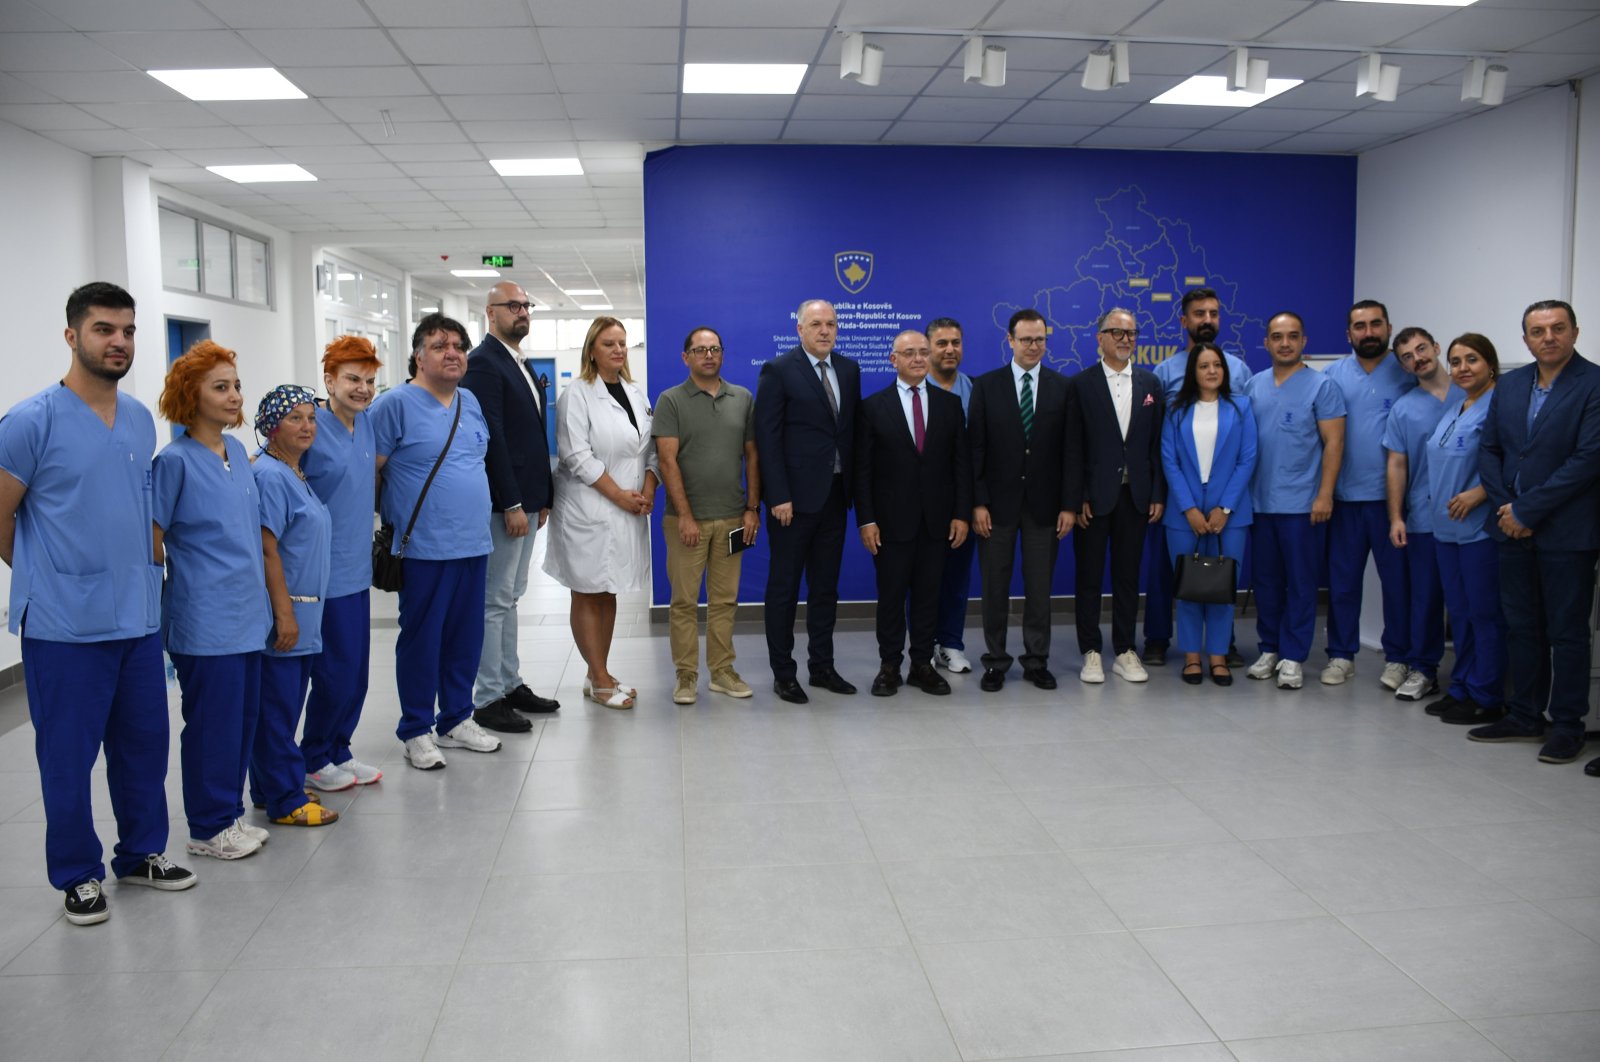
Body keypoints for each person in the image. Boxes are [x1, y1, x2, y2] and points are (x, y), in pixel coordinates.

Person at [0, 282, 196, 925]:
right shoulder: (31, 422)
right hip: (64, 624)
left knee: (143, 743)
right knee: (67, 755)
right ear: (72, 336)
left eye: (129, 331)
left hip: (135, 615)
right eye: (104, 329)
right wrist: (53, 575)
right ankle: (77, 874)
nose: (119, 342)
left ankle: (141, 852)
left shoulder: (140, 418)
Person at [153, 340, 273, 859]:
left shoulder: (240, 459)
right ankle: (207, 827)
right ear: (190, 395)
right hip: (205, 619)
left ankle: (228, 814)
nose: (233, 396)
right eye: (219, 387)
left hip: (248, 617)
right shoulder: (174, 463)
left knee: (242, 722)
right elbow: (152, 542)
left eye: (236, 386)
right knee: (211, 727)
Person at [370, 313, 502, 769]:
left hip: (473, 543)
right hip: (422, 547)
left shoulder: (470, 402)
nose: (452, 353)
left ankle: (456, 719)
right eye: (440, 344)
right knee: (422, 639)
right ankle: (415, 729)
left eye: (459, 346)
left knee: (466, 637)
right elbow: (370, 470)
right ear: (417, 356)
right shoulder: (394, 405)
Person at [1472, 300, 1600, 768]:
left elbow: (1588, 460)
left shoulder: (1594, 385)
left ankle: (1568, 725)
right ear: (1525, 338)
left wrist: (1527, 509)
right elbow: (1489, 449)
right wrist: (1508, 506)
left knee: (1567, 632)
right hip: (1511, 528)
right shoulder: (1510, 385)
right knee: (1521, 627)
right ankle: (1524, 714)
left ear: (1575, 332)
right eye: (1538, 330)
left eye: (1557, 328)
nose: (1548, 337)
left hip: (1567, 531)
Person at [543, 316, 659, 709]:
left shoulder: (634, 391)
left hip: (626, 505)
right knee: (588, 590)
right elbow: (576, 455)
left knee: (607, 591)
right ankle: (599, 676)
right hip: (589, 507)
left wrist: (647, 488)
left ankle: (599, 672)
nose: (618, 350)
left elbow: (650, 447)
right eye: (609, 343)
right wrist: (620, 496)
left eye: (622, 343)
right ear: (591, 350)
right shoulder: (576, 394)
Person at [461, 281, 559, 734]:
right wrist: (513, 501)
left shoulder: (518, 362)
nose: (522, 312)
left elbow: (532, 437)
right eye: (512, 306)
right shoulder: (483, 363)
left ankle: (509, 682)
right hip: (505, 504)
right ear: (490, 313)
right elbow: (493, 438)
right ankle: (486, 698)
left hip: (527, 501)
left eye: (526, 306)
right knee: (494, 600)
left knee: (511, 597)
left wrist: (541, 498)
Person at [754, 299, 861, 703]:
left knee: (825, 589)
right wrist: (777, 494)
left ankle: (822, 667)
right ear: (799, 330)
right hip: (792, 504)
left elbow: (847, 434)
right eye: (816, 324)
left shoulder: (849, 370)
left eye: (831, 324)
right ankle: (784, 673)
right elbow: (768, 437)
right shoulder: (779, 371)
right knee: (784, 589)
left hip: (835, 497)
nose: (824, 330)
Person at [854, 329, 972, 697]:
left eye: (924, 351)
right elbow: (863, 471)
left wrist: (961, 513)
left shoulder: (949, 405)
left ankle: (921, 663)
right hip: (889, 525)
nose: (919, 358)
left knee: (928, 595)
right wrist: (867, 519)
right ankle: (890, 665)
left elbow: (960, 466)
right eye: (910, 353)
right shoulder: (873, 407)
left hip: (937, 522)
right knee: (890, 597)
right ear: (894, 360)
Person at [969, 308, 1075, 692]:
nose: (1034, 346)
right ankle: (995, 661)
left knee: (1039, 588)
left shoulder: (1063, 388)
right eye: (1026, 339)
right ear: (1010, 341)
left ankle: (1036, 660)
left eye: (1040, 339)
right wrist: (978, 503)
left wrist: (1068, 504)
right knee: (994, 588)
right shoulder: (986, 385)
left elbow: (1071, 452)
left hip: (1046, 507)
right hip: (995, 508)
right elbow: (975, 449)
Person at [1146, 288, 1254, 666]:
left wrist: (1226, 504)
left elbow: (1245, 450)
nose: (1206, 320)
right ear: (1184, 321)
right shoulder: (1164, 372)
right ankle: (1161, 640)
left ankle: (1223, 649)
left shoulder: (1239, 372)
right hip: (1179, 496)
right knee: (1176, 576)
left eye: (1213, 313)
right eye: (1198, 314)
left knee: (1222, 577)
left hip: (1227, 499)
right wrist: (1181, 501)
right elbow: (1162, 445)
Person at [655, 326, 760, 705]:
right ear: (686, 357)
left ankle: (722, 671)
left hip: (733, 519)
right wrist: (685, 515)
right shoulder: (671, 401)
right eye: (700, 350)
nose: (709, 355)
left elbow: (752, 456)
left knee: (725, 599)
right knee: (684, 601)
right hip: (687, 522)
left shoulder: (742, 398)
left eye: (715, 349)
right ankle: (686, 674)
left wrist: (752, 509)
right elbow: (667, 461)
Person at [248, 387, 337, 828]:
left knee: (281, 706)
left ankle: (269, 786)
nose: (307, 426)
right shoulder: (270, 476)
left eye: (311, 418)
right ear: (271, 427)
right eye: (295, 419)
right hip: (288, 612)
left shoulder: (292, 472)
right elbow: (267, 549)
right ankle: (285, 797)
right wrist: (283, 613)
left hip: (305, 610)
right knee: (278, 710)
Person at [1242, 312, 1346, 690]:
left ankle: (1293, 655)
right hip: (1260, 503)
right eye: (1276, 337)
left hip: (1304, 505)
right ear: (1266, 343)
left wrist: (1324, 494)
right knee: (1266, 581)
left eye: (1292, 336)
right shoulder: (1254, 386)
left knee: (1302, 584)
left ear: (1304, 342)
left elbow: (1334, 443)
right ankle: (1269, 648)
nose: (1284, 343)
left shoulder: (1322, 387)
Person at [298, 336, 383, 792]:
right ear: (328, 379)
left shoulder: (366, 424)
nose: (362, 388)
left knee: (356, 672)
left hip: (356, 570)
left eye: (369, 381)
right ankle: (314, 756)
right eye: (352, 379)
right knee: (333, 672)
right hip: (320, 573)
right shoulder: (311, 427)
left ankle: (338, 749)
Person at [1067, 308, 1166, 685]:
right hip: (1094, 499)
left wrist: (1156, 492)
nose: (1125, 339)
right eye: (1116, 332)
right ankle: (1091, 651)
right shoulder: (1081, 384)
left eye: (1131, 333)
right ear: (1100, 338)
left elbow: (1155, 445)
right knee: (1089, 577)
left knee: (1127, 576)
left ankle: (1125, 649)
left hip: (1136, 497)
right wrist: (1078, 498)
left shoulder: (1150, 384)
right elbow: (1073, 448)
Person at [1321, 300, 1416, 688]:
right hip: (1344, 500)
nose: (1368, 332)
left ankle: (1398, 657)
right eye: (1359, 326)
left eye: (1376, 324)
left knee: (1397, 585)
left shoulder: (1409, 372)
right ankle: (1341, 655)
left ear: (1389, 328)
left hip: (1393, 502)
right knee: (1343, 583)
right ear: (1348, 334)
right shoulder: (1332, 376)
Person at [1160, 344, 1257, 685]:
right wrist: (1188, 507)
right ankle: (1190, 657)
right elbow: (1169, 461)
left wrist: (1224, 507)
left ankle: (1217, 656)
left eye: (1217, 365)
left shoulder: (1241, 407)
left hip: (1230, 515)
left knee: (1222, 586)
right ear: (1193, 372)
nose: (1212, 371)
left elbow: (1247, 459)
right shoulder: (1175, 409)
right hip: (1183, 515)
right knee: (1188, 586)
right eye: (1204, 366)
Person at [1425, 333, 1506, 727]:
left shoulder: (1500, 406)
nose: (1462, 368)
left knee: (1484, 613)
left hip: (1478, 528)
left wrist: (1479, 493)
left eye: (1471, 359)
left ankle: (1487, 695)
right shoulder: (1457, 406)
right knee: (1459, 613)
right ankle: (1461, 687)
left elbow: (1514, 462)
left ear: (1490, 364)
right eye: (1455, 362)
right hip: (1445, 528)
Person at [1381, 327, 1459, 703]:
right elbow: (1396, 465)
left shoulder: (1475, 394)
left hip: (1473, 519)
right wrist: (1397, 517)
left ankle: (1470, 676)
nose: (1418, 358)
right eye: (1408, 357)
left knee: (1469, 602)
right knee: (1425, 598)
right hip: (1424, 517)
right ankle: (1424, 668)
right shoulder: (1404, 408)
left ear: (1437, 347)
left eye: (1422, 349)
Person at [925, 316, 978, 675]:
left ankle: (951, 644)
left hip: (963, 502)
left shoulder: (976, 391)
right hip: (922, 505)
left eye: (955, 343)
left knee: (956, 578)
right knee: (922, 579)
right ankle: (923, 643)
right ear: (928, 348)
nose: (949, 350)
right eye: (942, 343)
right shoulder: (911, 390)